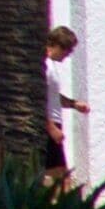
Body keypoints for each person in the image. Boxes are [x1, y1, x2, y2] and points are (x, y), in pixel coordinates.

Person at [44, 26, 87, 173]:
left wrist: (74, 104)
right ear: (57, 45)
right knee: (58, 177)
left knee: (58, 176)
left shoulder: (51, 66)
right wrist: (51, 127)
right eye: (67, 50)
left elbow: (53, 96)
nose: (68, 55)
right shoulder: (45, 66)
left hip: (54, 124)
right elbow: (40, 98)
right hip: (50, 125)